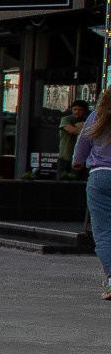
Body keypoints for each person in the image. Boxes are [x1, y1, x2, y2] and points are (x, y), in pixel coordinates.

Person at [77, 101, 111, 298]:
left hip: (101, 176)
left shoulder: (97, 115)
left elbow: (83, 141)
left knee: (104, 231)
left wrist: (77, 161)